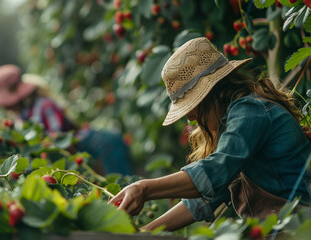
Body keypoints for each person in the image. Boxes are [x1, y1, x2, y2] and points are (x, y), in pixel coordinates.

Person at [108, 37, 311, 231]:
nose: (190, 116)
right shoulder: (238, 122)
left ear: (210, 95)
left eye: (192, 106)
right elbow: (202, 200)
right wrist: (146, 231)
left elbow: (215, 171)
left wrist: (144, 188)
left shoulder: (250, 110)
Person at [0, 64, 133, 176]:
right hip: (91, 148)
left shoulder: (44, 106)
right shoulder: (22, 119)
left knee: (127, 193)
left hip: (103, 145)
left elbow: (60, 141)